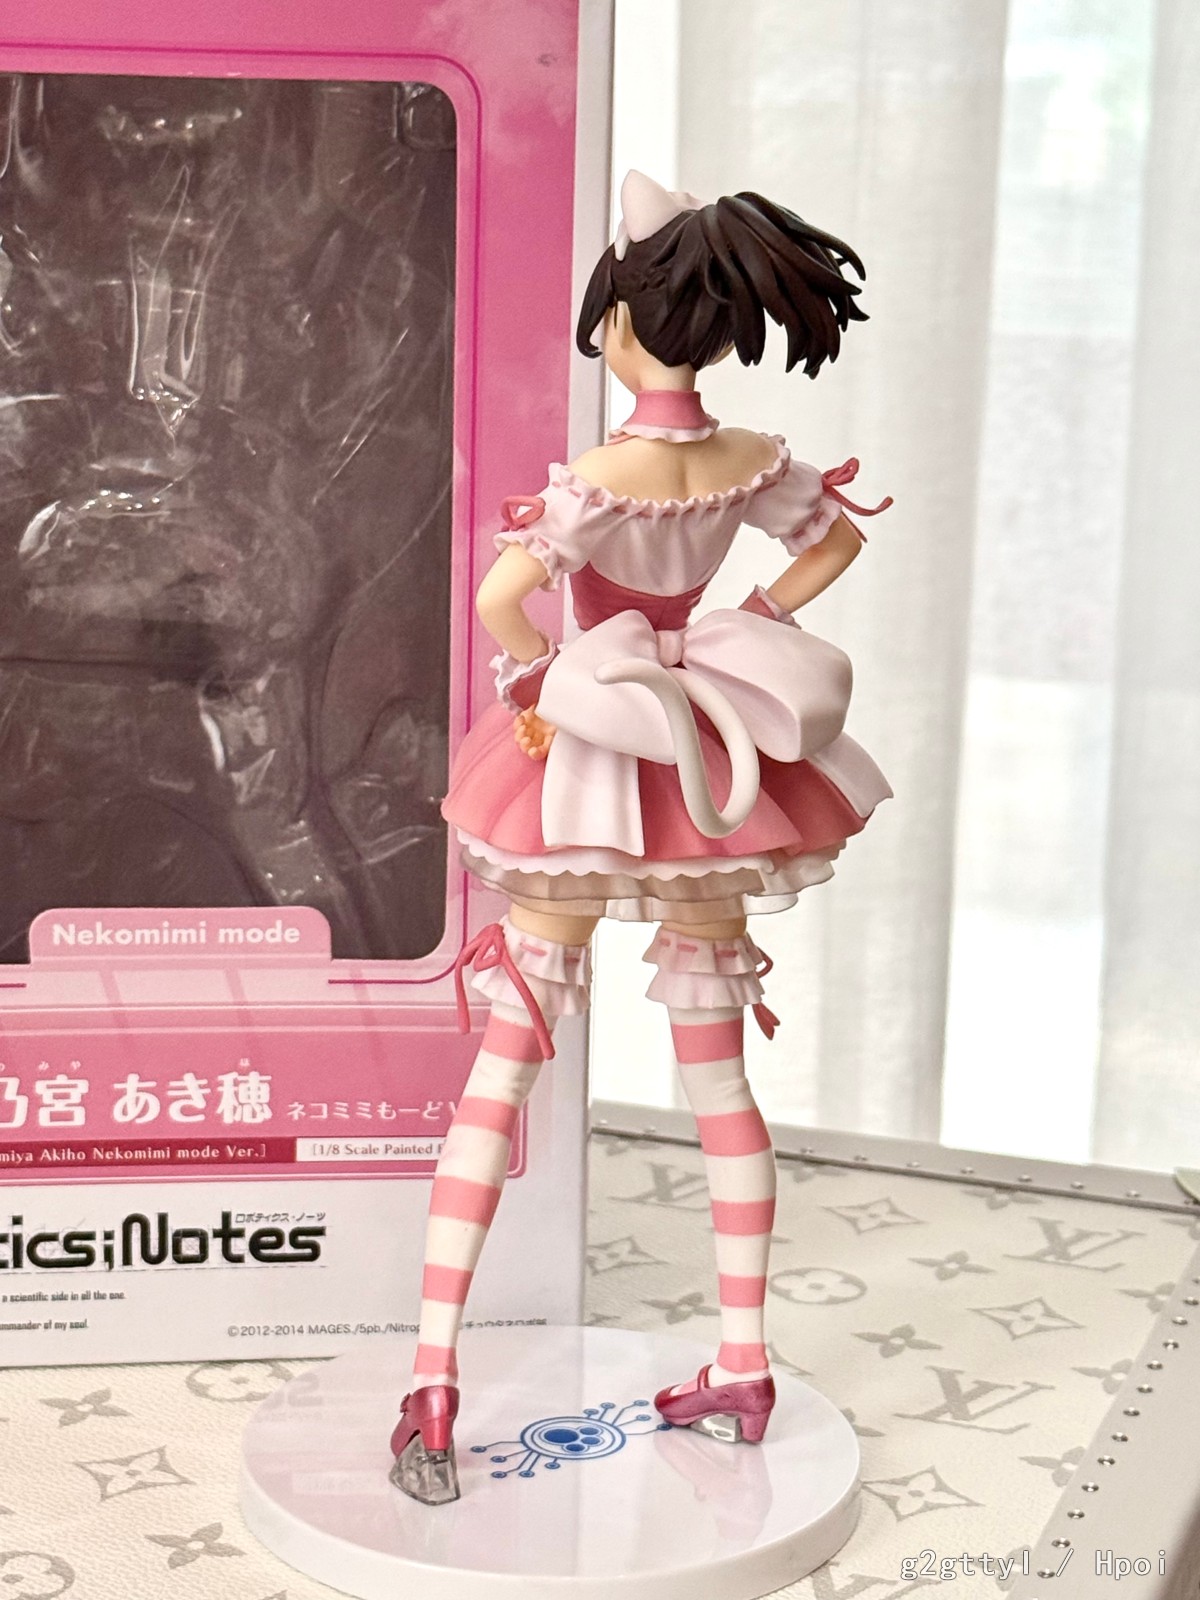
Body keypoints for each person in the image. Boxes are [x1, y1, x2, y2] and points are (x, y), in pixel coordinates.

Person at [389, 170, 893, 1504]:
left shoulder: (600, 480)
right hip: (707, 760)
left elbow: (503, 599)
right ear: (716, 329)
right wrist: (752, 620)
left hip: (595, 765)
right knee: (719, 1082)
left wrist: (538, 681)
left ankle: (433, 1378)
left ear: (619, 324)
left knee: (504, 1073)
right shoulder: (747, 462)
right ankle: (744, 1362)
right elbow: (833, 548)